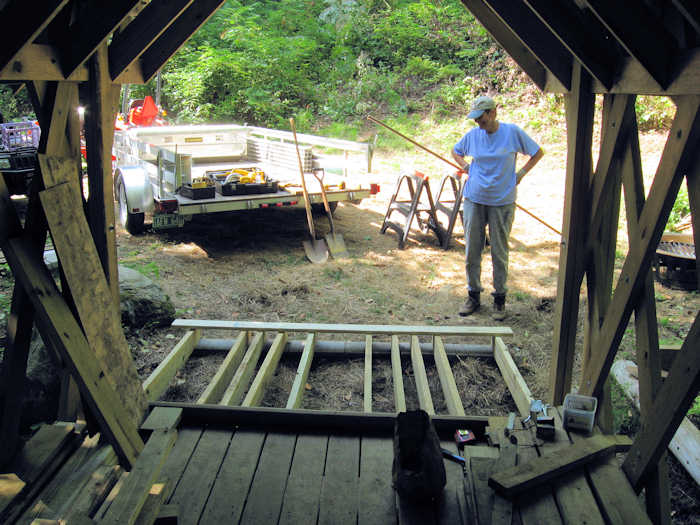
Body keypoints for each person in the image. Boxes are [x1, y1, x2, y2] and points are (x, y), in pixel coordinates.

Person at [451, 95, 544, 321]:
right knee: (472, 249)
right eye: (475, 120)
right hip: (474, 198)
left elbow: (537, 152)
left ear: (493, 113)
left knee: (499, 251)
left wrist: (520, 174)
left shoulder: (512, 133)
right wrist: (465, 166)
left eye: (481, 118)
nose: (478, 124)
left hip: (502, 201)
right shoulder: (474, 136)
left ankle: (499, 300)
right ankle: (473, 296)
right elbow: (456, 150)